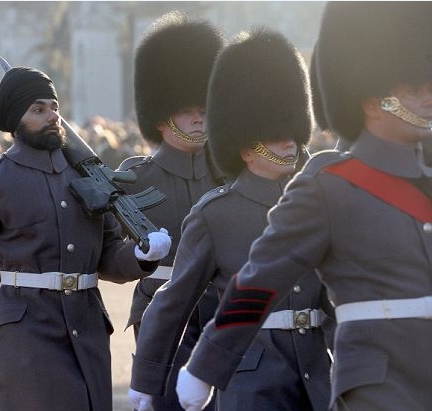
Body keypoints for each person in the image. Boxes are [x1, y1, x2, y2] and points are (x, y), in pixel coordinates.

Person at [177, 3, 432, 411]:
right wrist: (207, 365)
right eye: (414, 91)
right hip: (377, 385)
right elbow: (260, 278)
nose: (427, 98)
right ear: (371, 101)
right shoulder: (328, 186)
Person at [0, 66, 172, 411]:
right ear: (15, 121)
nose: (52, 116)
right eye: (38, 109)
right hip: (28, 334)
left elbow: (107, 254)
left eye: (54, 107)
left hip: (86, 328)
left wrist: (141, 257)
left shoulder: (85, 176)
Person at [130, 28, 333, 411]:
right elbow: (174, 301)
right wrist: (148, 377)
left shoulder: (316, 204)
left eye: (292, 131)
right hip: (250, 376)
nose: (290, 142)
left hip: (315, 373)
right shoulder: (215, 214)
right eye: (276, 134)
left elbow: (335, 297)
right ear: (245, 146)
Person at [118, 12, 224, 410]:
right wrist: (138, 257)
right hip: (159, 311)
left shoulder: (227, 174)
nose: (199, 117)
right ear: (162, 118)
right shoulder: (134, 177)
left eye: (204, 107)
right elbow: (108, 252)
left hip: (218, 307)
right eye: (187, 110)